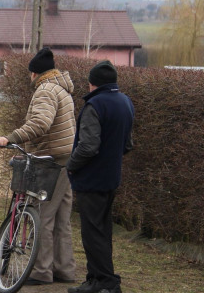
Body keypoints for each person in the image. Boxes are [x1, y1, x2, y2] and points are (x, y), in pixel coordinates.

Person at [0, 47, 77, 286]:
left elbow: (40, 123)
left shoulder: (45, 90)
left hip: (51, 160)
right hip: (66, 158)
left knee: (42, 215)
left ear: (34, 73)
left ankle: (41, 271)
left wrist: (11, 138)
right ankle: (64, 269)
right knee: (61, 218)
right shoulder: (62, 89)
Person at [66, 61, 134, 293]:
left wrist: (71, 166)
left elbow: (87, 147)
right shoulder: (126, 102)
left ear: (93, 83)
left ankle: (105, 282)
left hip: (91, 180)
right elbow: (127, 144)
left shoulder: (94, 105)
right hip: (111, 178)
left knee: (92, 233)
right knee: (102, 231)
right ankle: (95, 280)